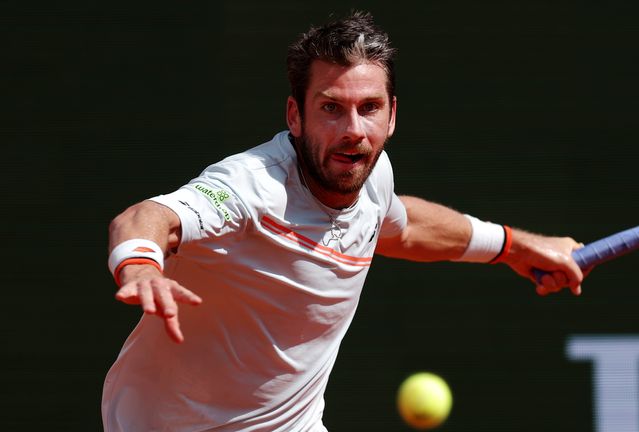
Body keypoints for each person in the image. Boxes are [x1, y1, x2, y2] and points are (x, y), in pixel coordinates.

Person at [102, 10, 585, 432]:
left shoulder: (372, 176)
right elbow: (148, 217)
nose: (353, 131)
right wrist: (140, 266)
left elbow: (403, 227)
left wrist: (515, 246)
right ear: (295, 116)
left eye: (369, 108)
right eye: (331, 108)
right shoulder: (252, 186)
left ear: (391, 116)